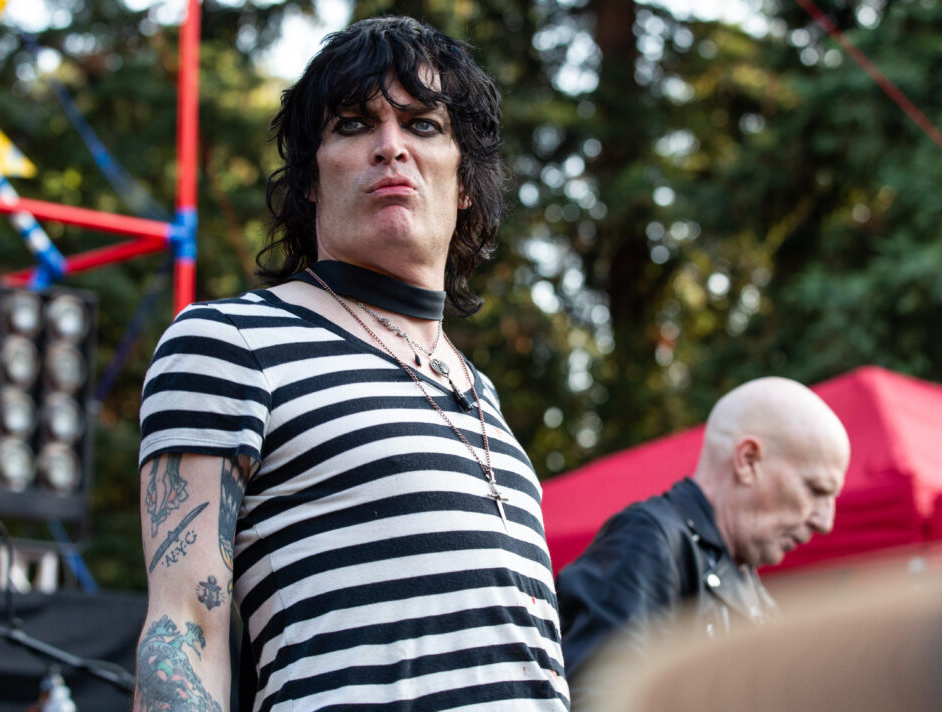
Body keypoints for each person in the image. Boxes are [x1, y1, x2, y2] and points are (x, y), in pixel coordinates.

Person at [133, 16, 569, 712]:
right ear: (309, 179)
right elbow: (183, 630)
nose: (390, 147)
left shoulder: (479, 392)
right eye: (354, 124)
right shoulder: (230, 343)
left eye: (423, 125)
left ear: (465, 183)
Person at [556, 377, 850, 699]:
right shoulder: (651, 539)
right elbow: (599, 700)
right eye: (816, 490)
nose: (825, 521)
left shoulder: (742, 576)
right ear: (748, 460)